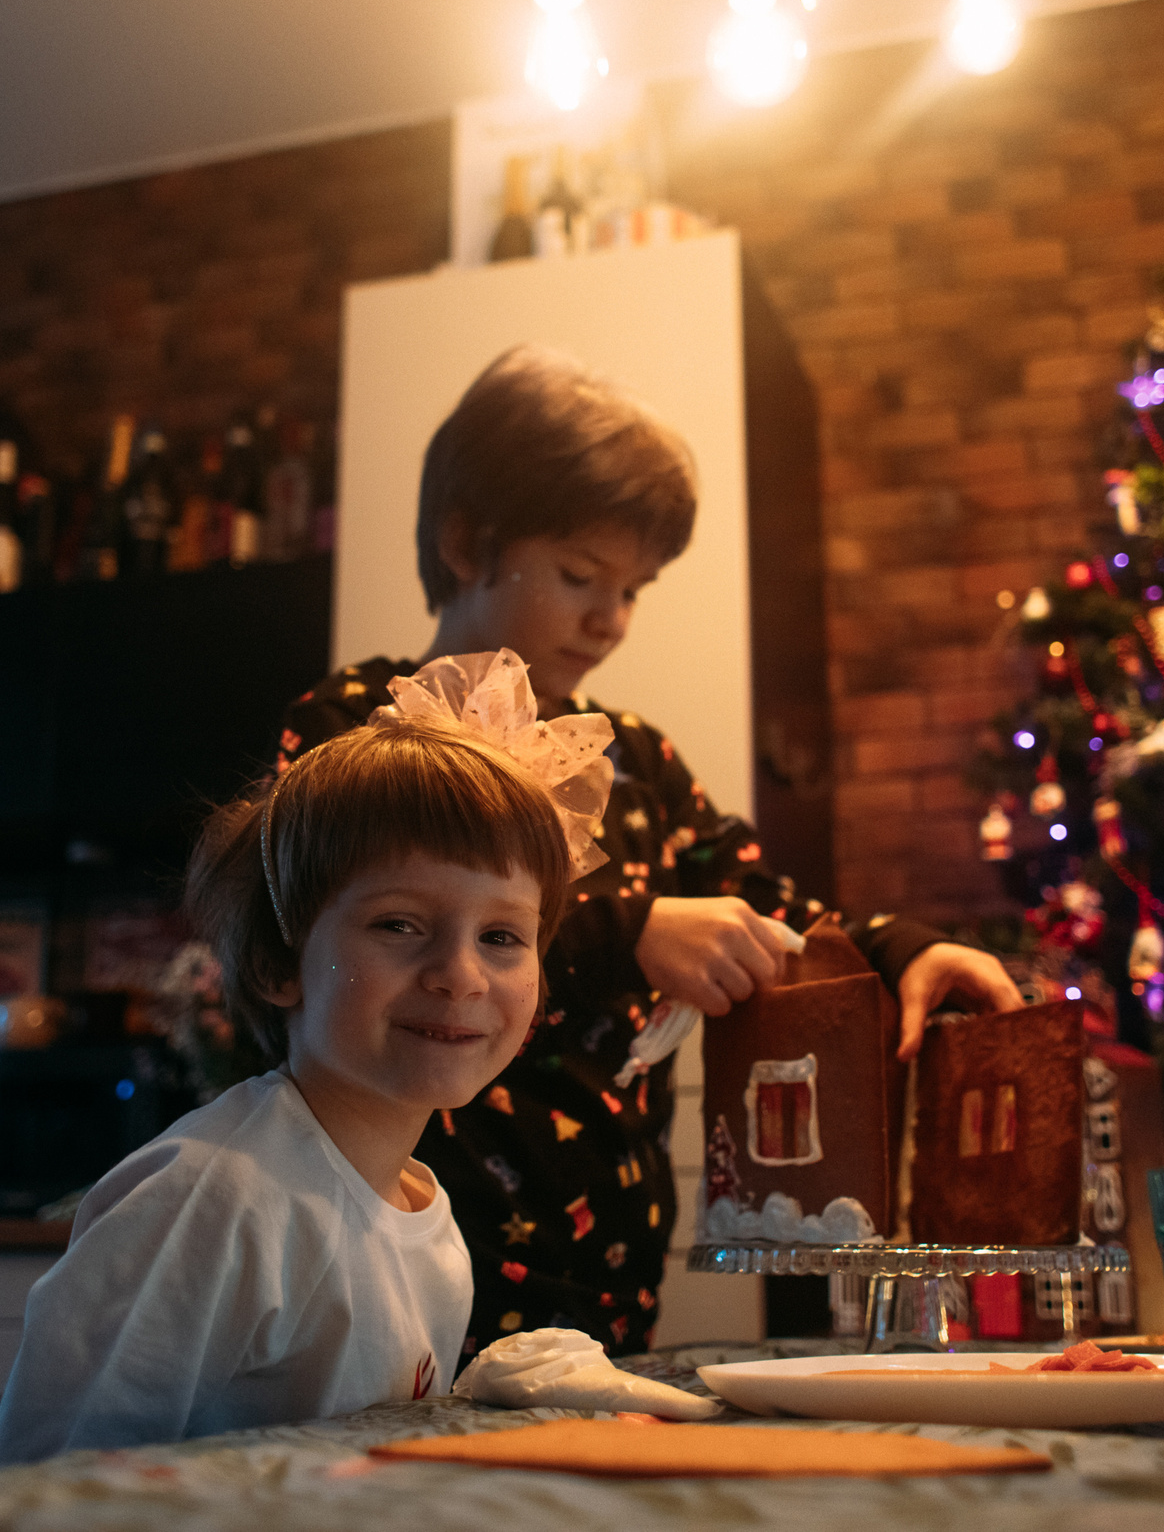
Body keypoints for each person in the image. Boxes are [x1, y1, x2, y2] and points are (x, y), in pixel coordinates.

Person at [281, 344, 1022, 1361]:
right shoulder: (359, 728)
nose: (611, 619)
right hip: (393, 1248)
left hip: (609, 1269)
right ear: (465, 541)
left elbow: (768, 901)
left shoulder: (632, 758)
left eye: (637, 588)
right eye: (581, 575)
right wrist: (629, 930)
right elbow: (349, 912)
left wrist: (899, 952)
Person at [0, 706, 599, 1464]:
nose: (462, 975)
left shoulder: (431, 1225)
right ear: (279, 961)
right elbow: (41, 1484)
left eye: (502, 936)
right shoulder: (218, 1198)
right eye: (399, 924)